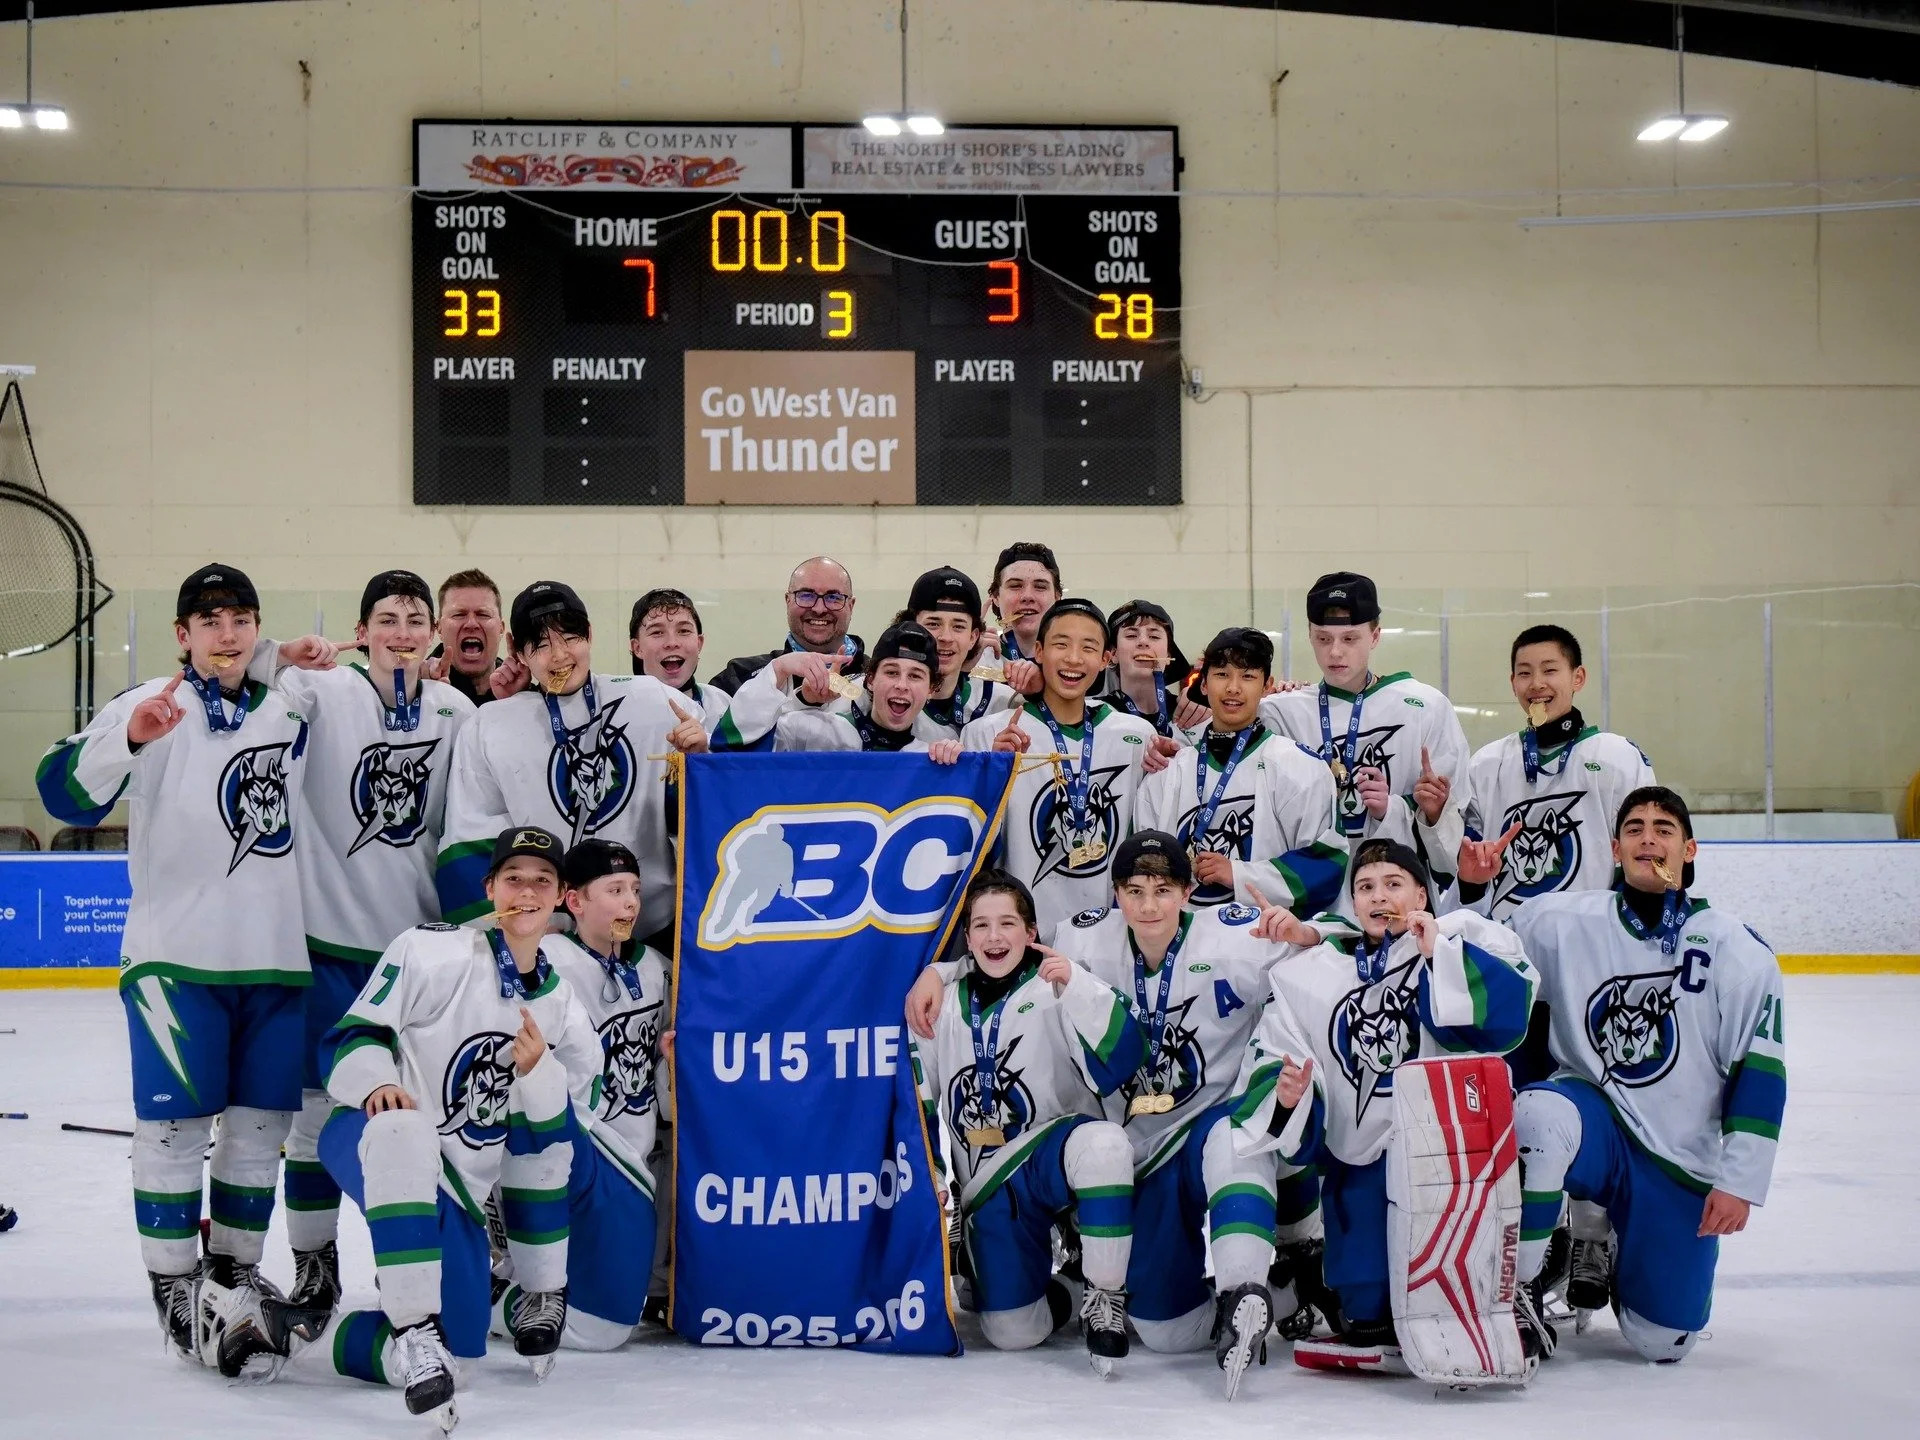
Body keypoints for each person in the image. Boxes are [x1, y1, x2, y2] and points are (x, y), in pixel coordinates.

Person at [201, 827, 604, 1423]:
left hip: (456, 1190)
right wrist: (376, 1082)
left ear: (561, 896)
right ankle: (413, 1332)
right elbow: (350, 1037)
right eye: (513, 878)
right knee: (405, 1130)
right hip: (368, 1133)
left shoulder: (562, 1004)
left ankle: (275, 1330)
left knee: (461, 1360)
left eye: (542, 880)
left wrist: (539, 1070)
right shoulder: (431, 950)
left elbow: (566, 1119)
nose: (527, 891)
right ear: (490, 887)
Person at [35, 563, 332, 1359]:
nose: (226, 633)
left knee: (259, 1127)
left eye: (240, 618)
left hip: (274, 958)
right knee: (172, 1126)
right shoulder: (147, 706)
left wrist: (287, 658)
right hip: (176, 959)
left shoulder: (292, 704)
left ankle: (233, 1272)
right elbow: (62, 792)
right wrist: (131, 737)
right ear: (183, 635)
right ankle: (172, 1280)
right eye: (210, 620)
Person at [251, 569, 477, 1316]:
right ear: (363, 628)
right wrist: (284, 654)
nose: (403, 631)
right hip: (324, 946)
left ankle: (408, 1259)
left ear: (433, 632)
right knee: (316, 1115)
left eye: (416, 618)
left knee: (418, 1117)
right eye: (387, 618)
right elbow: (245, 690)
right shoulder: (325, 693)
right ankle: (315, 1264)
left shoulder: (454, 709)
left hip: (410, 955)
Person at [1230, 839, 1539, 1373]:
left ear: (1422, 891)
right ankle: (1325, 1277)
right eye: (1366, 887)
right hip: (1361, 1162)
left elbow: (1505, 1016)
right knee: (1366, 1315)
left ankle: (1516, 1294)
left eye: (1394, 883)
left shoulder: (1459, 935)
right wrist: (1287, 1094)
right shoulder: (1318, 969)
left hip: (1444, 1152)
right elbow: (1286, 1040)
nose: (1379, 896)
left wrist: (1438, 951)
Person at [1508, 787, 1786, 1363]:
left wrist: (1738, 1182)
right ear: (1615, 848)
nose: (1648, 838)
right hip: (1593, 1122)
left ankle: (1602, 1234)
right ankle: (1518, 1290)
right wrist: (1471, 880)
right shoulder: (1557, 920)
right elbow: (1476, 947)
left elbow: (1759, 1070)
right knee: (1536, 1114)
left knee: (1663, 1340)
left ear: (1689, 848)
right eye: (1634, 828)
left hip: (1675, 1155)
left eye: (1663, 828)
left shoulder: (1737, 949)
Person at [1045, 835, 1315, 1395]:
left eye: (1164, 891)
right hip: (1139, 1154)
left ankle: (1246, 1288)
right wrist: (943, 975)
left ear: (1189, 892)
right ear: (1115, 893)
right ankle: (1283, 1291)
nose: (1149, 906)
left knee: (1237, 1138)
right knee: (1166, 1333)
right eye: (1135, 891)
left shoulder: (1239, 937)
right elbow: (1007, 960)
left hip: (1207, 1125)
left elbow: (1333, 957)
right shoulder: (1081, 939)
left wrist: (1306, 931)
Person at [909, 870, 1144, 1371]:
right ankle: (1075, 1281)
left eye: (1008, 924)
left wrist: (1078, 985)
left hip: (1052, 1152)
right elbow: (921, 1101)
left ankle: (1106, 1297)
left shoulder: (1056, 984)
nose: (995, 937)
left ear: (1031, 933)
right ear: (967, 938)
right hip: (989, 1183)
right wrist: (933, 1176)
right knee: (1013, 1332)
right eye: (982, 926)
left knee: (1105, 1146)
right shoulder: (940, 1003)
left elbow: (1127, 1056)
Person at [438, 580, 708, 953]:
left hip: (653, 932)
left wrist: (699, 763)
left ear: (590, 635)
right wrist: (505, 939)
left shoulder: (654, 701)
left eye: (570, 638)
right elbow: (468, 848)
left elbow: (702, 820)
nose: (560, 656)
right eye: (541, 645)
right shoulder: (488, 726)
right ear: (516, 650)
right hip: (548, 938)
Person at [514, 838, 669, 1350]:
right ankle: (492, 1288)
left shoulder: (658, 969)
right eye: (614, 890)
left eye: (635, 891)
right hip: (575, 1151)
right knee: (600, 1331)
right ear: (574, 901)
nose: (630, 902)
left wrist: (673, 1058)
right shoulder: (548, 961)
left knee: (608, 1321)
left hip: (633, 1163)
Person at [960, 598, 1171, 938]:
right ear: (1039, 651)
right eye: (1061, 644)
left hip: (1111, 933)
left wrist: (1173, 765)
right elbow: (969, 844)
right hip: (1020, 936)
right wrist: (990, 773)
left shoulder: (1135, 735)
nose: (1074, 658)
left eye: (1088, 648)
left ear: (1106, 659)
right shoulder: (987, 733)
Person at [1257, 572, 1469, 893]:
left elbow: (1455, 832)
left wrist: (1429, 809)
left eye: (1350, 639)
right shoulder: (1283, 711)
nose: (1335, 653)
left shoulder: (1425, 706)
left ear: (1375, 636)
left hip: (1397, 894)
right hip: (1312, 896)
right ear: (1310, 636)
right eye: (1323, 639)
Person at [1138, 627, 1348, 918]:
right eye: (1222, 674)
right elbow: (1139, 867)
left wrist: (1239, 874)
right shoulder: (1167, 772)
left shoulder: (1300, 767)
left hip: (1267, 949)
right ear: (1203, 684)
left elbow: (1328, 864)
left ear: (1266, 686)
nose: (1233, 688)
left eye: (1248, 676)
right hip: (1183, 946)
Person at [1459, 624, 1655, 921]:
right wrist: (1435, 814)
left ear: (1578, 677)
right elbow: (1464, 862)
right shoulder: (1486, 763)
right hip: (1510, 945)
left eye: (1549, 670)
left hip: (1593, 937)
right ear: (1513, 683)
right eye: (1524, 673)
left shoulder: (1619, 758)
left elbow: (1642, 851)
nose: (1537, 684)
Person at [763, 622, 961, 757]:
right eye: (891, 672)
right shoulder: (816, 731)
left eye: (915, 676)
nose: (901, 685)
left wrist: (954, 761)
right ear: (871, 680)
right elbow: (744, 744)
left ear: (931, 690)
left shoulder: (929, 757)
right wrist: (780, 669)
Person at [896, 565, 1029, 740]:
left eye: (958, 626)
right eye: (933, 624)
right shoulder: (880, 695)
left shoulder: (1004, 702)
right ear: (910, 628)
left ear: (973, 637)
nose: (945, 637)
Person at [707, 556, 865, 696]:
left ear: (851, 606)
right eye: (806, 595)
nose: (819, 609)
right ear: (787, 601)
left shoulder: (877, 681)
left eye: (833, 597)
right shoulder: (739, 679)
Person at [1096, 599, 1208, 739]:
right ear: (1113, 654)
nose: (1143, 642)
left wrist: (1210, 703)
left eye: (1154, 636)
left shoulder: (1193, 713)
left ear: (1168, 655)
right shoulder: (1094, 714)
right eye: (1131, 635)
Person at [628, 587, 728, 732]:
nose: (672, 643)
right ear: (637, 648)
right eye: (657, 632)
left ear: (699, 643)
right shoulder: (619, 710)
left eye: (684, 631)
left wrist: (704, 752)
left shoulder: (721, 706)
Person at [424, 569, 508, 706]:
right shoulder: (414, 695)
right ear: (438, 628)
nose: (471, 624)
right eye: (459, 614)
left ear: (501, 628)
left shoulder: (524, 697)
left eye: (483, 614)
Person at [984, 541, 1061, 664]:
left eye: (1040, 587)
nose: (1027, 596)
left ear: (1057, 598)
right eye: (1015, 586)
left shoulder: (1073, 665)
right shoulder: (975, 660)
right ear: (995, 597)